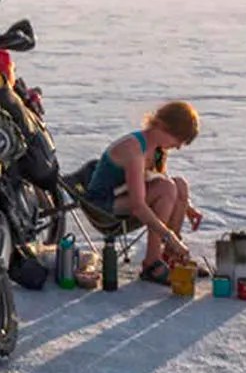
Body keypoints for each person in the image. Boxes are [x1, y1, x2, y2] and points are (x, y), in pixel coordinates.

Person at [85, 101, 203, 284]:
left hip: (123, 197)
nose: (178, 146)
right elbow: (138, 205)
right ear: (164, 127)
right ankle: (152, 263)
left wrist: (187, 207)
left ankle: (171, 257)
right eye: (178, 140)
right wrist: (169, 236)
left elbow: (157, 179)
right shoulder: (134, 148)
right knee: (167, 188)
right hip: (102, 205)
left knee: (179, 185)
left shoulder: (156, 149)